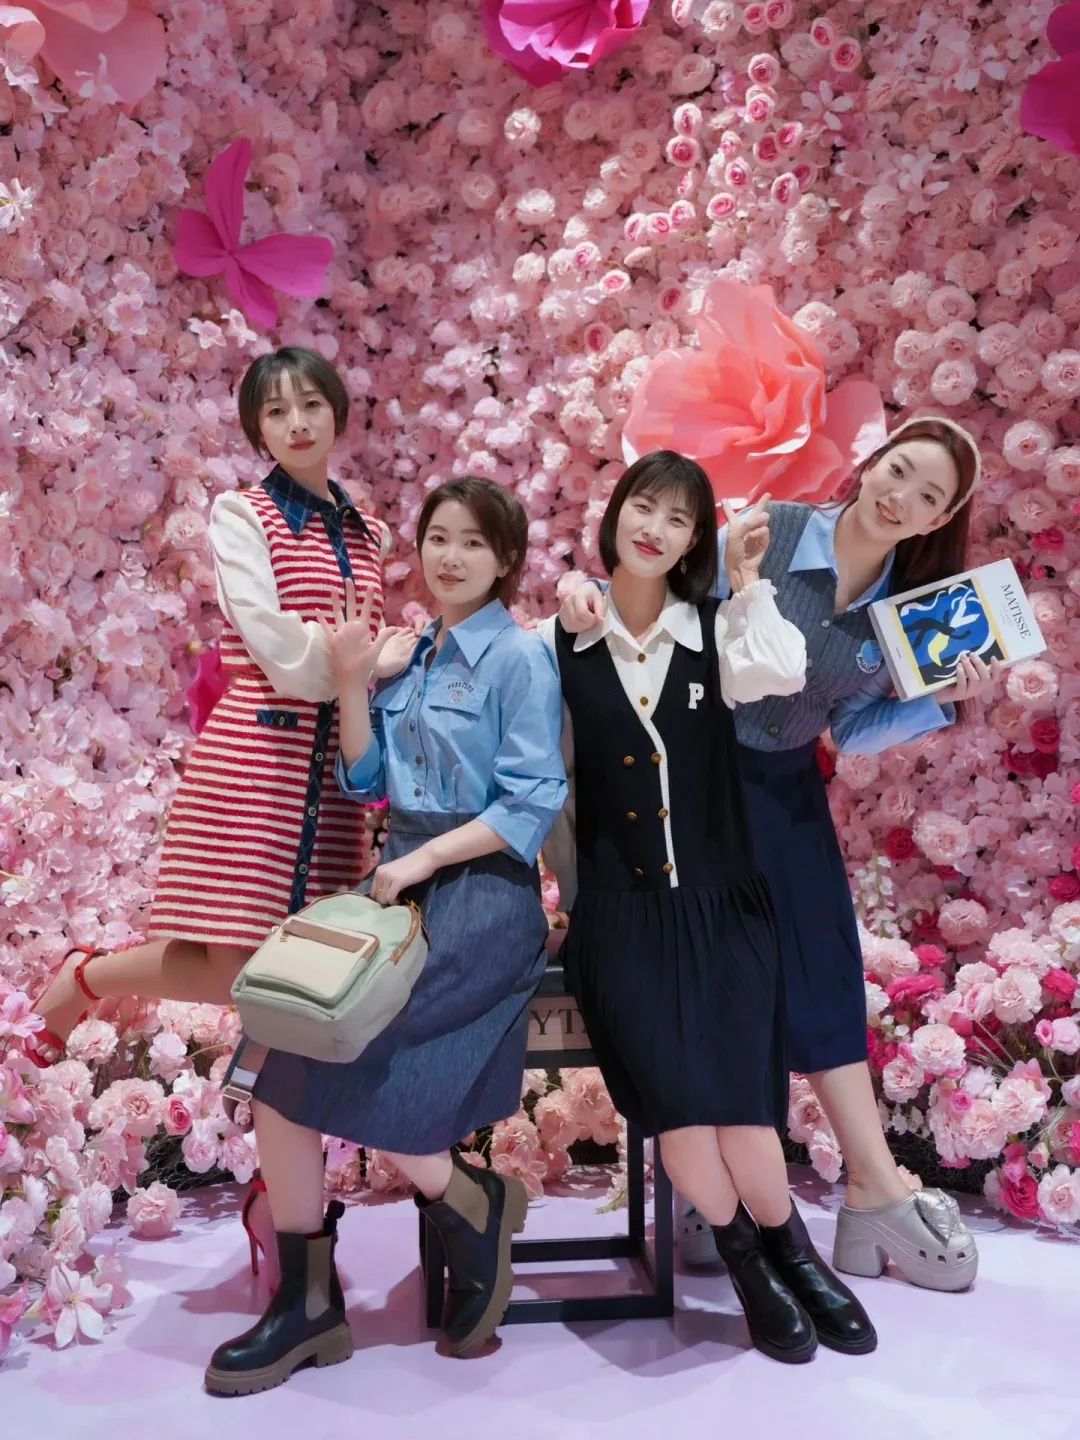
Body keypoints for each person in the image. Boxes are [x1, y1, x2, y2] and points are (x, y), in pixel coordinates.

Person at [559, 418, 994, 1291]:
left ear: (938, 519)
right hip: (698, 774)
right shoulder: (774, 529)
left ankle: (871, 1191)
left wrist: (935, 695)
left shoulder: (910, 606)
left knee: (820, 966)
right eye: (898, 471)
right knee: (714, 968)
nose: (900, 497)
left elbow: (851, 728)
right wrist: (583, 590)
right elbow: (665, 594)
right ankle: (713, 1185)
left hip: (787, 787)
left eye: (927, 496)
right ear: (871, 463)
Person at [26, 346, 409, 1276]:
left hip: (331, 777)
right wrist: (353, 665)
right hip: (257, 759)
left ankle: (279, 1193)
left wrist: (371, 665)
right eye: (276, 412)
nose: (298, 423)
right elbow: (275, 644)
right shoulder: (242, 514)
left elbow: (368, 650)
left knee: (305, 984)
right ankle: (93, 977)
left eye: (311, 404)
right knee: (248, 968)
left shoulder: (368, 530)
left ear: (338, 412)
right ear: (257, 429)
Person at [204, 477, 567, 1396]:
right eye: (438, 537)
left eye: (473, 542)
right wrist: (354, 679)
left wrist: (421, 861)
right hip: (396, 887)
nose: (450, 556)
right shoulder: (412, 653)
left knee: (359, 1054)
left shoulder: (520, 657)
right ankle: (314, 1300)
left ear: (506, 559)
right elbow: (367, 780)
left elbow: (530, 800)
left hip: (482, 895)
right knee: (287, 1054)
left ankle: (467, 1205)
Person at [540, 451, 876, 1364]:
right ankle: (749, 1265)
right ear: (615, 514)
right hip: (623, 921)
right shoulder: (557, 643)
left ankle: (796, 1256)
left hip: (725, 910)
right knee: (682, 1120)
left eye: (679, 519)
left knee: (745, 1116)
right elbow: (548, 788)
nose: (655, 529)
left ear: (696, 540)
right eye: (643, 507)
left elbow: (781, 671)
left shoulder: (717, 628)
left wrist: (750, 579)